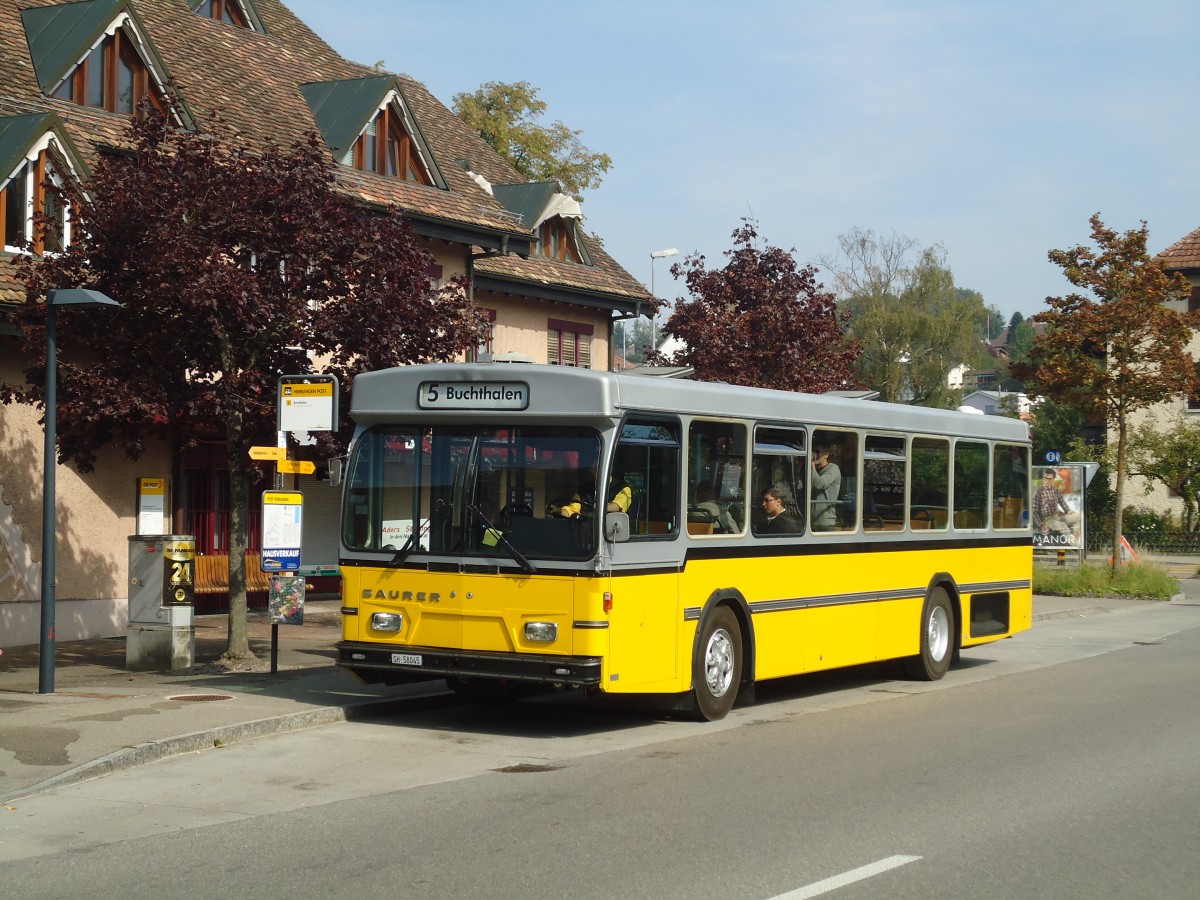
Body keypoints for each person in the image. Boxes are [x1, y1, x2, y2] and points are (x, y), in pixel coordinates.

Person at [549, 477, 631, 518]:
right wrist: (559, 511)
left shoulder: (622, 488)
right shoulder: (584, 489)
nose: (596, 467)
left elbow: (616, 506)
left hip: (611, 534)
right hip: (586, 533)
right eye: (594, 464)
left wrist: (598, 506)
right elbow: (572, 509)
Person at [1033, 469, 1079, 537]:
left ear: (1053, 479)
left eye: (1049, 479)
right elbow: (1034, 512)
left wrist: (1068, 511)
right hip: (1047, 520)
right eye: (1045, 478)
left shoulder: (1056, 490)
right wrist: (1040, 525)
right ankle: (1075, 544)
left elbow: (1062, 503)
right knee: (1062, 526)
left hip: (1058, 516)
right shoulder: (1038, 492)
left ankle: (1077, 536)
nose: (1047, 480)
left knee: (1078, 516)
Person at [810, 444, 842, 531]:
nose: (814, 455)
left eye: (817, 452)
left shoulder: (833, 469)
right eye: (813, 452)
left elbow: (820, 484)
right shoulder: (814, 471)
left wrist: (812, 467)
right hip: (811, 521)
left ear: (826, 454)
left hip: (824, 522)